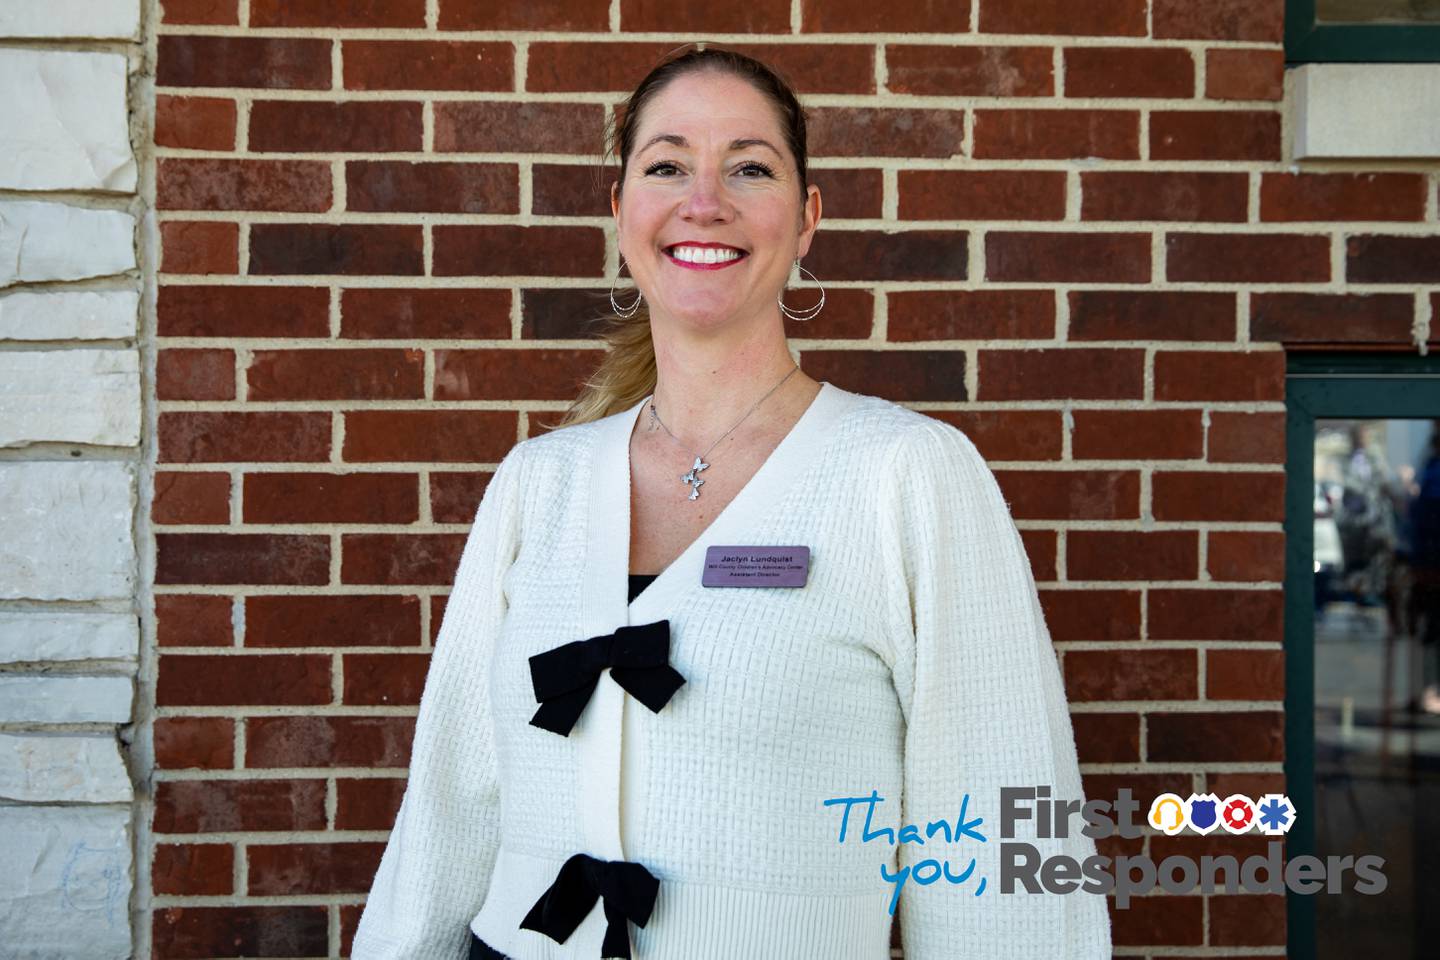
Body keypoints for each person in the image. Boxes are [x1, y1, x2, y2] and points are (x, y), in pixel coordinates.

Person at [353, 45, 1109, 960]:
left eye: (750, 168)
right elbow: (449, 803)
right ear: (622, 211)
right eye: (666, 166)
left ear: (805, 221)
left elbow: (997, 825)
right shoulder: (538, 483)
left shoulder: (905, 475)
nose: (702, 202)